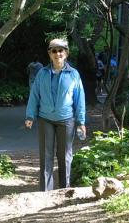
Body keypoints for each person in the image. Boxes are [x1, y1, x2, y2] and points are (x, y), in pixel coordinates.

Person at [25, 38, 86, 191]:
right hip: (45, 119)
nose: (57, 53)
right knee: (46, 155)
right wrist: (30, 115)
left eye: (61, 50)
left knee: (65, 156)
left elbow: (80, 99)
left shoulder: (73, 74)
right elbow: (34, 95)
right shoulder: (42, 73)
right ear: (49, 54)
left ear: (66, 53)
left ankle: (65, 190)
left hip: (67, 120)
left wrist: (81, 121)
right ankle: (45, 191)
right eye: (54, 51)